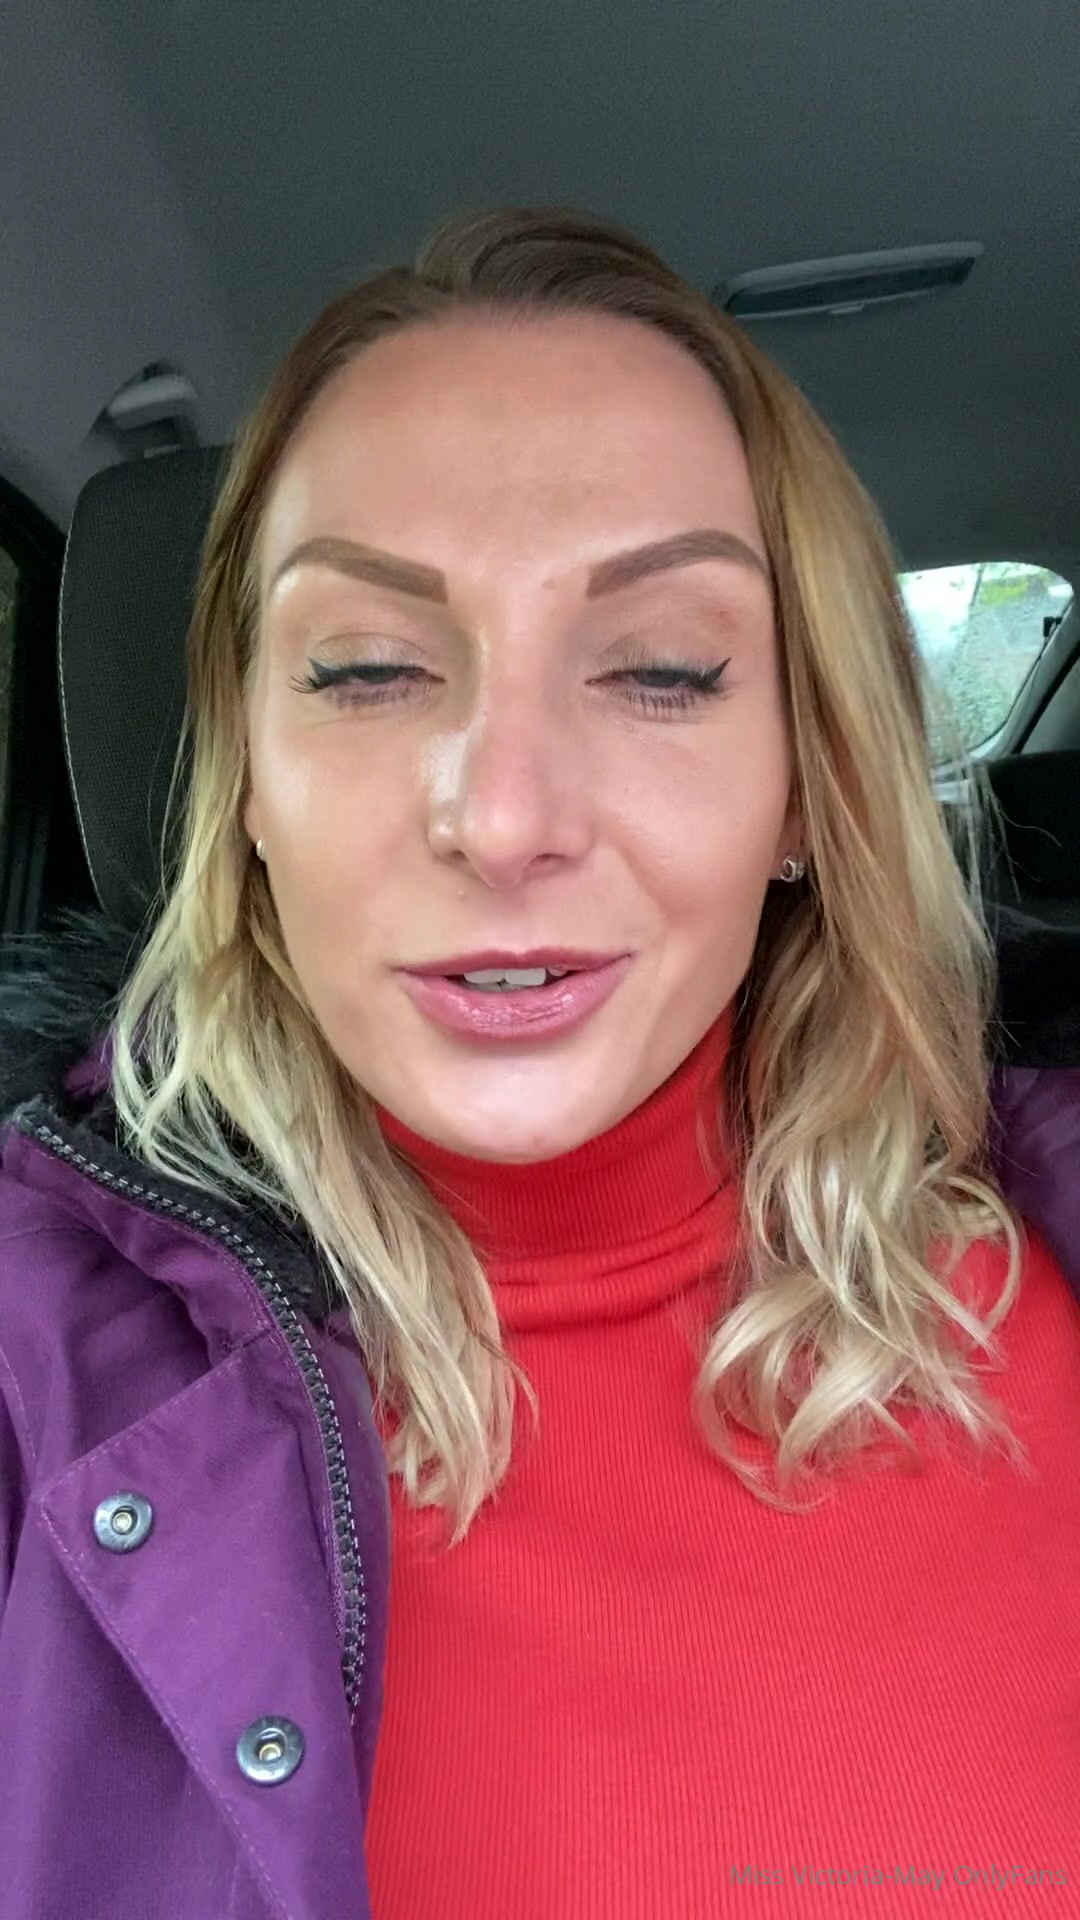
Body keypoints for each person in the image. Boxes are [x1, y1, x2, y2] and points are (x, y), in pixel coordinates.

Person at [1, 206, 1078, 1920]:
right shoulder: (30, 1371)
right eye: (366, 670)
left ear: (806, 785)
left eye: (660, 670)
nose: (502, 819)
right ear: (250, 782)